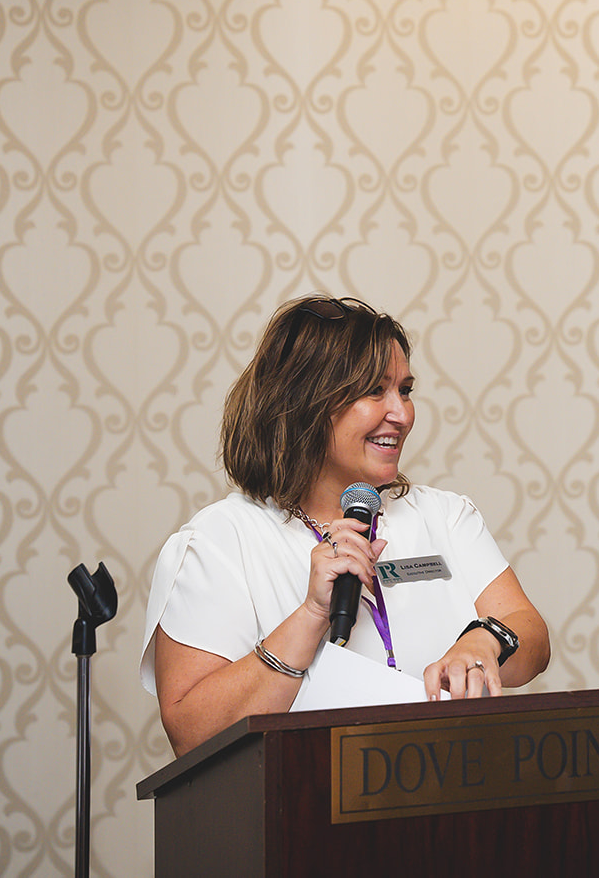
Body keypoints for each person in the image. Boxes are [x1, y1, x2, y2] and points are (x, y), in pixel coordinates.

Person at [139, 295, 549, 756]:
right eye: (375, 391)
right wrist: (311, 616)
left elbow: (530, 634)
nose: (402, 413)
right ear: (304, 403)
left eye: (406, 390)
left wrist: (485, 640)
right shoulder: (219, 542)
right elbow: (191, 733)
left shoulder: (446, 517)